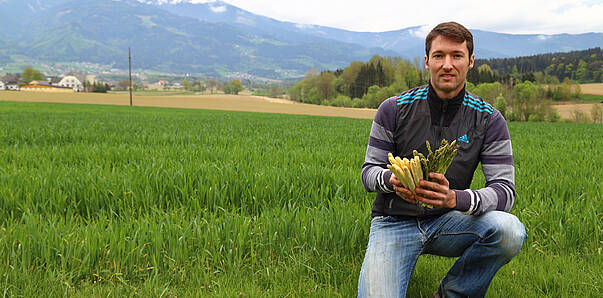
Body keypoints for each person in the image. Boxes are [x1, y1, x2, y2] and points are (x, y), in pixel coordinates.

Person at [357, 22, 527, 298]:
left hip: (450, 220)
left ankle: (453, 293)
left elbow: (504, 192)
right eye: (439, 56)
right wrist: (391, 179)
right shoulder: (393, 109)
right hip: (393, 221)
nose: (447, 64)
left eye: (456, 56)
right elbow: (368, 173)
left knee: (509, 231)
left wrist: (454, 200)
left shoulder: (488, 119)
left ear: (470, 62)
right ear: (427, 61)